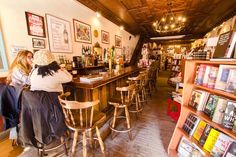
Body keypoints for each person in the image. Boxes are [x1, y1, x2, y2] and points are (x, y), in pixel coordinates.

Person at [6, 50, 33, 146]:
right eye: (29, 57)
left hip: (19, 94)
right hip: (14, 95)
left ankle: (25, 136)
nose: (31, 59)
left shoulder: (25, 68)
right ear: (22, 58)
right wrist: (35, 68)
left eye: (31, 57)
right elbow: (29, 81)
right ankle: (21, 137)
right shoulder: (18, 68)